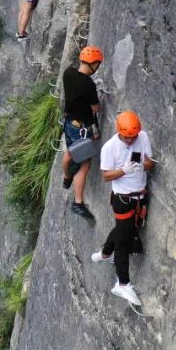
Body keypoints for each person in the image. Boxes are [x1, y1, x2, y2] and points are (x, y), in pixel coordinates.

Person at [91, 111, 155, 306]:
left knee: (122, 229)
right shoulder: (110, 148)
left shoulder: (141, 137)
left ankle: (104, 254)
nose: (130, 140)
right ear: (120, 132)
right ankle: (123, 283)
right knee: (123, 240)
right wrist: (123, 170)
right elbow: (105, 176)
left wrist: (142, 166)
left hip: (139, 196)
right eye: (127, 137)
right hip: (122, 199)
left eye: (133, 136)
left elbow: (150, 163)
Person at [61, 45, 104, 220]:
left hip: (69, 123)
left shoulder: (68, 73)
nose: (98, 67)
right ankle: (78, 203)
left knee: (70, 152)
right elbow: (96, 108)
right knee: (84, 164)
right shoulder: (88, 84)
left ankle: (66, 177)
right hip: (81, 129)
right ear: (93, 64)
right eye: (98, 64)